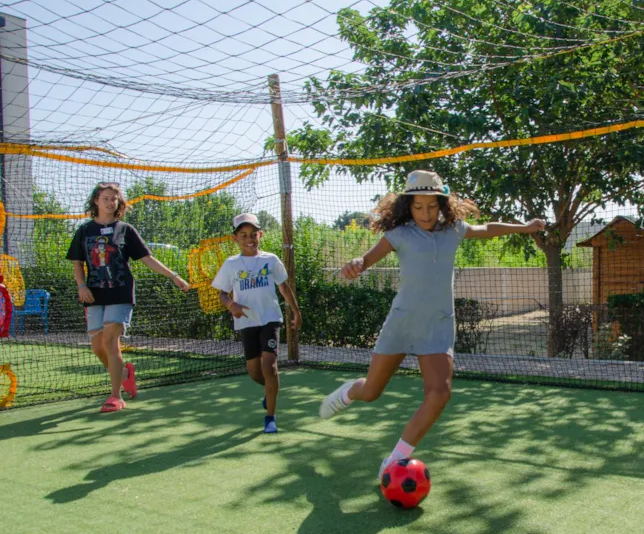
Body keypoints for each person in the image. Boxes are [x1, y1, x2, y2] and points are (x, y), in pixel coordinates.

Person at [319, 169, 543, 478]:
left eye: (432, 205)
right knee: (371, 392)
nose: (425, 213)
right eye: (418, 206)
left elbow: (487, 228)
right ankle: (347, 393)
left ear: (442, 203)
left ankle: (395, 459)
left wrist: (525, 227)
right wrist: (357, 264)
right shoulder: (399, 235)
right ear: (407, 206)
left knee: (440, 393)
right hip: (403, 321)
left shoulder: (454, 230)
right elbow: (367, 259)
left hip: (438, 325)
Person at [67, 182, 191, 413]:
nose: (110, 202)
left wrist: (173, 275)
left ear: (119, 203)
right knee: (97, 347)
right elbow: (77, 263)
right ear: (96, 201)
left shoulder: (125, 230)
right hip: (93, 295)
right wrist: (81, 286)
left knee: (110, 341)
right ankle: (124, 374)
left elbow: (147, 258)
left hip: (121, 293)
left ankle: (115, 396)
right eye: (105, 198)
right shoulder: (84, 231)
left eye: (114, 198)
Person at [211, 213, 301, 433]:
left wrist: (296, 312)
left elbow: (284, 287)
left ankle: (270, 416)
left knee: (269, 366)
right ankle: (270, 391)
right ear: (235, 238)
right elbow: (222, 294)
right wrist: (231, 305)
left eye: (253, 234)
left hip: (270, 319)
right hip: (246, 323)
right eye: (243, 235)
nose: (249, 239)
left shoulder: (270, 260)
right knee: (254, 372)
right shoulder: (231, 264)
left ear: (260, 234)